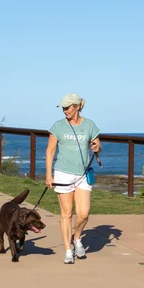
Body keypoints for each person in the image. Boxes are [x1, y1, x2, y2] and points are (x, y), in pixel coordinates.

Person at [45, 93, 102, 264]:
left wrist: (97, 147)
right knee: (67, 213)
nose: (65, 111)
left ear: (77, 106)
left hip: (83, 174)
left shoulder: (89, 125)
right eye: (63, 108)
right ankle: (68, 250)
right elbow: (50, 151)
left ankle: (76, 238)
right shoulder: (58, 126)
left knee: (83, 213)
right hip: (63, 173)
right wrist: (48, 174)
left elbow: (98, 146)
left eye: (67, 107)